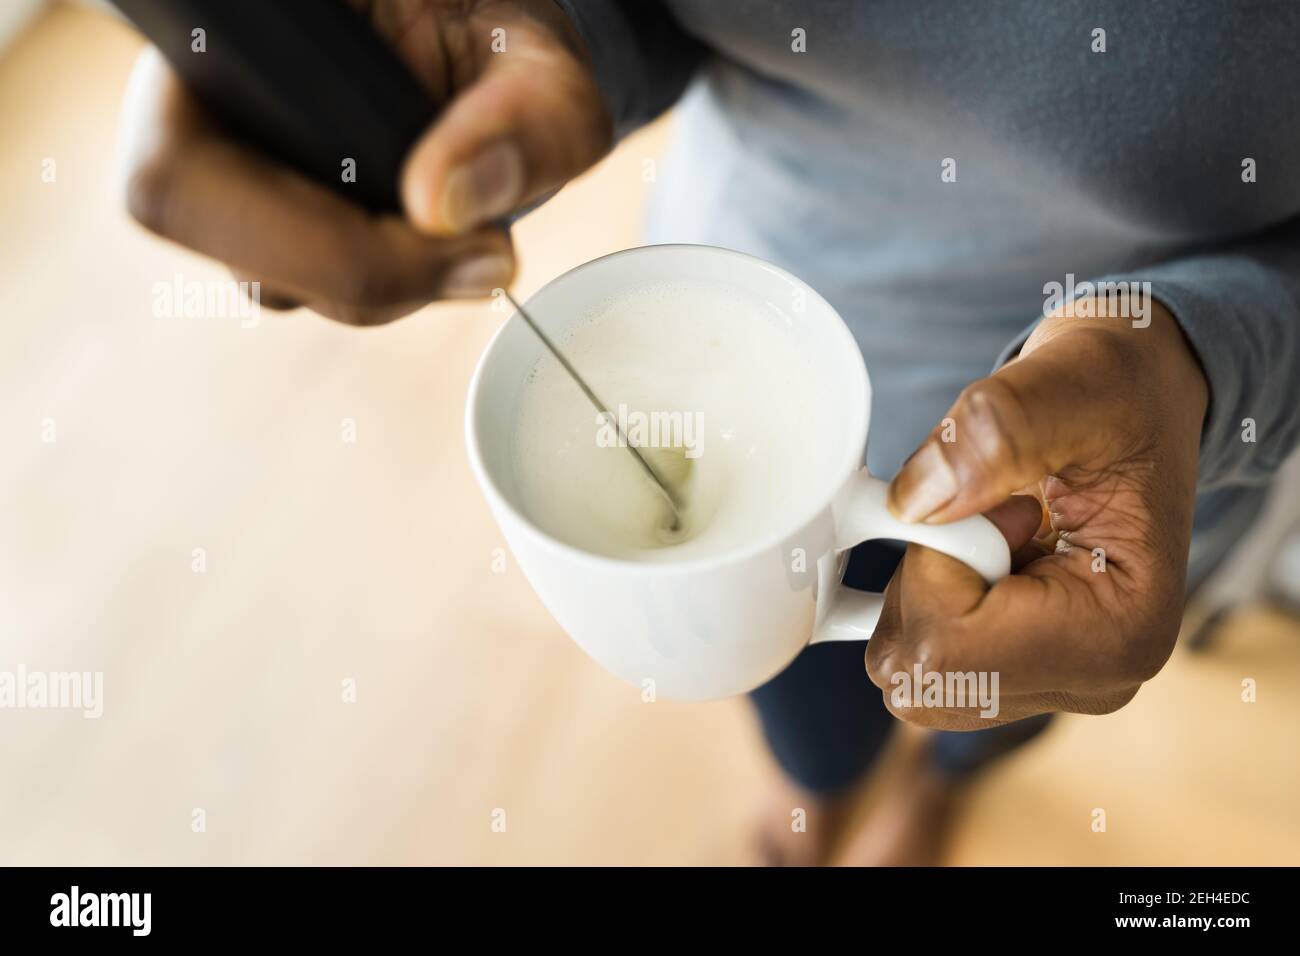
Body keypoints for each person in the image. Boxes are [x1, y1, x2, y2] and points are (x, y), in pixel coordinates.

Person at [116, 1, 1300, 865]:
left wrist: (1200, 356)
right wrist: (535, 40)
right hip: (739, 308)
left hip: (1100, 466)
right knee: (799, 696)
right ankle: (823, 791)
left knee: (999, 684)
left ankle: (939, 784)